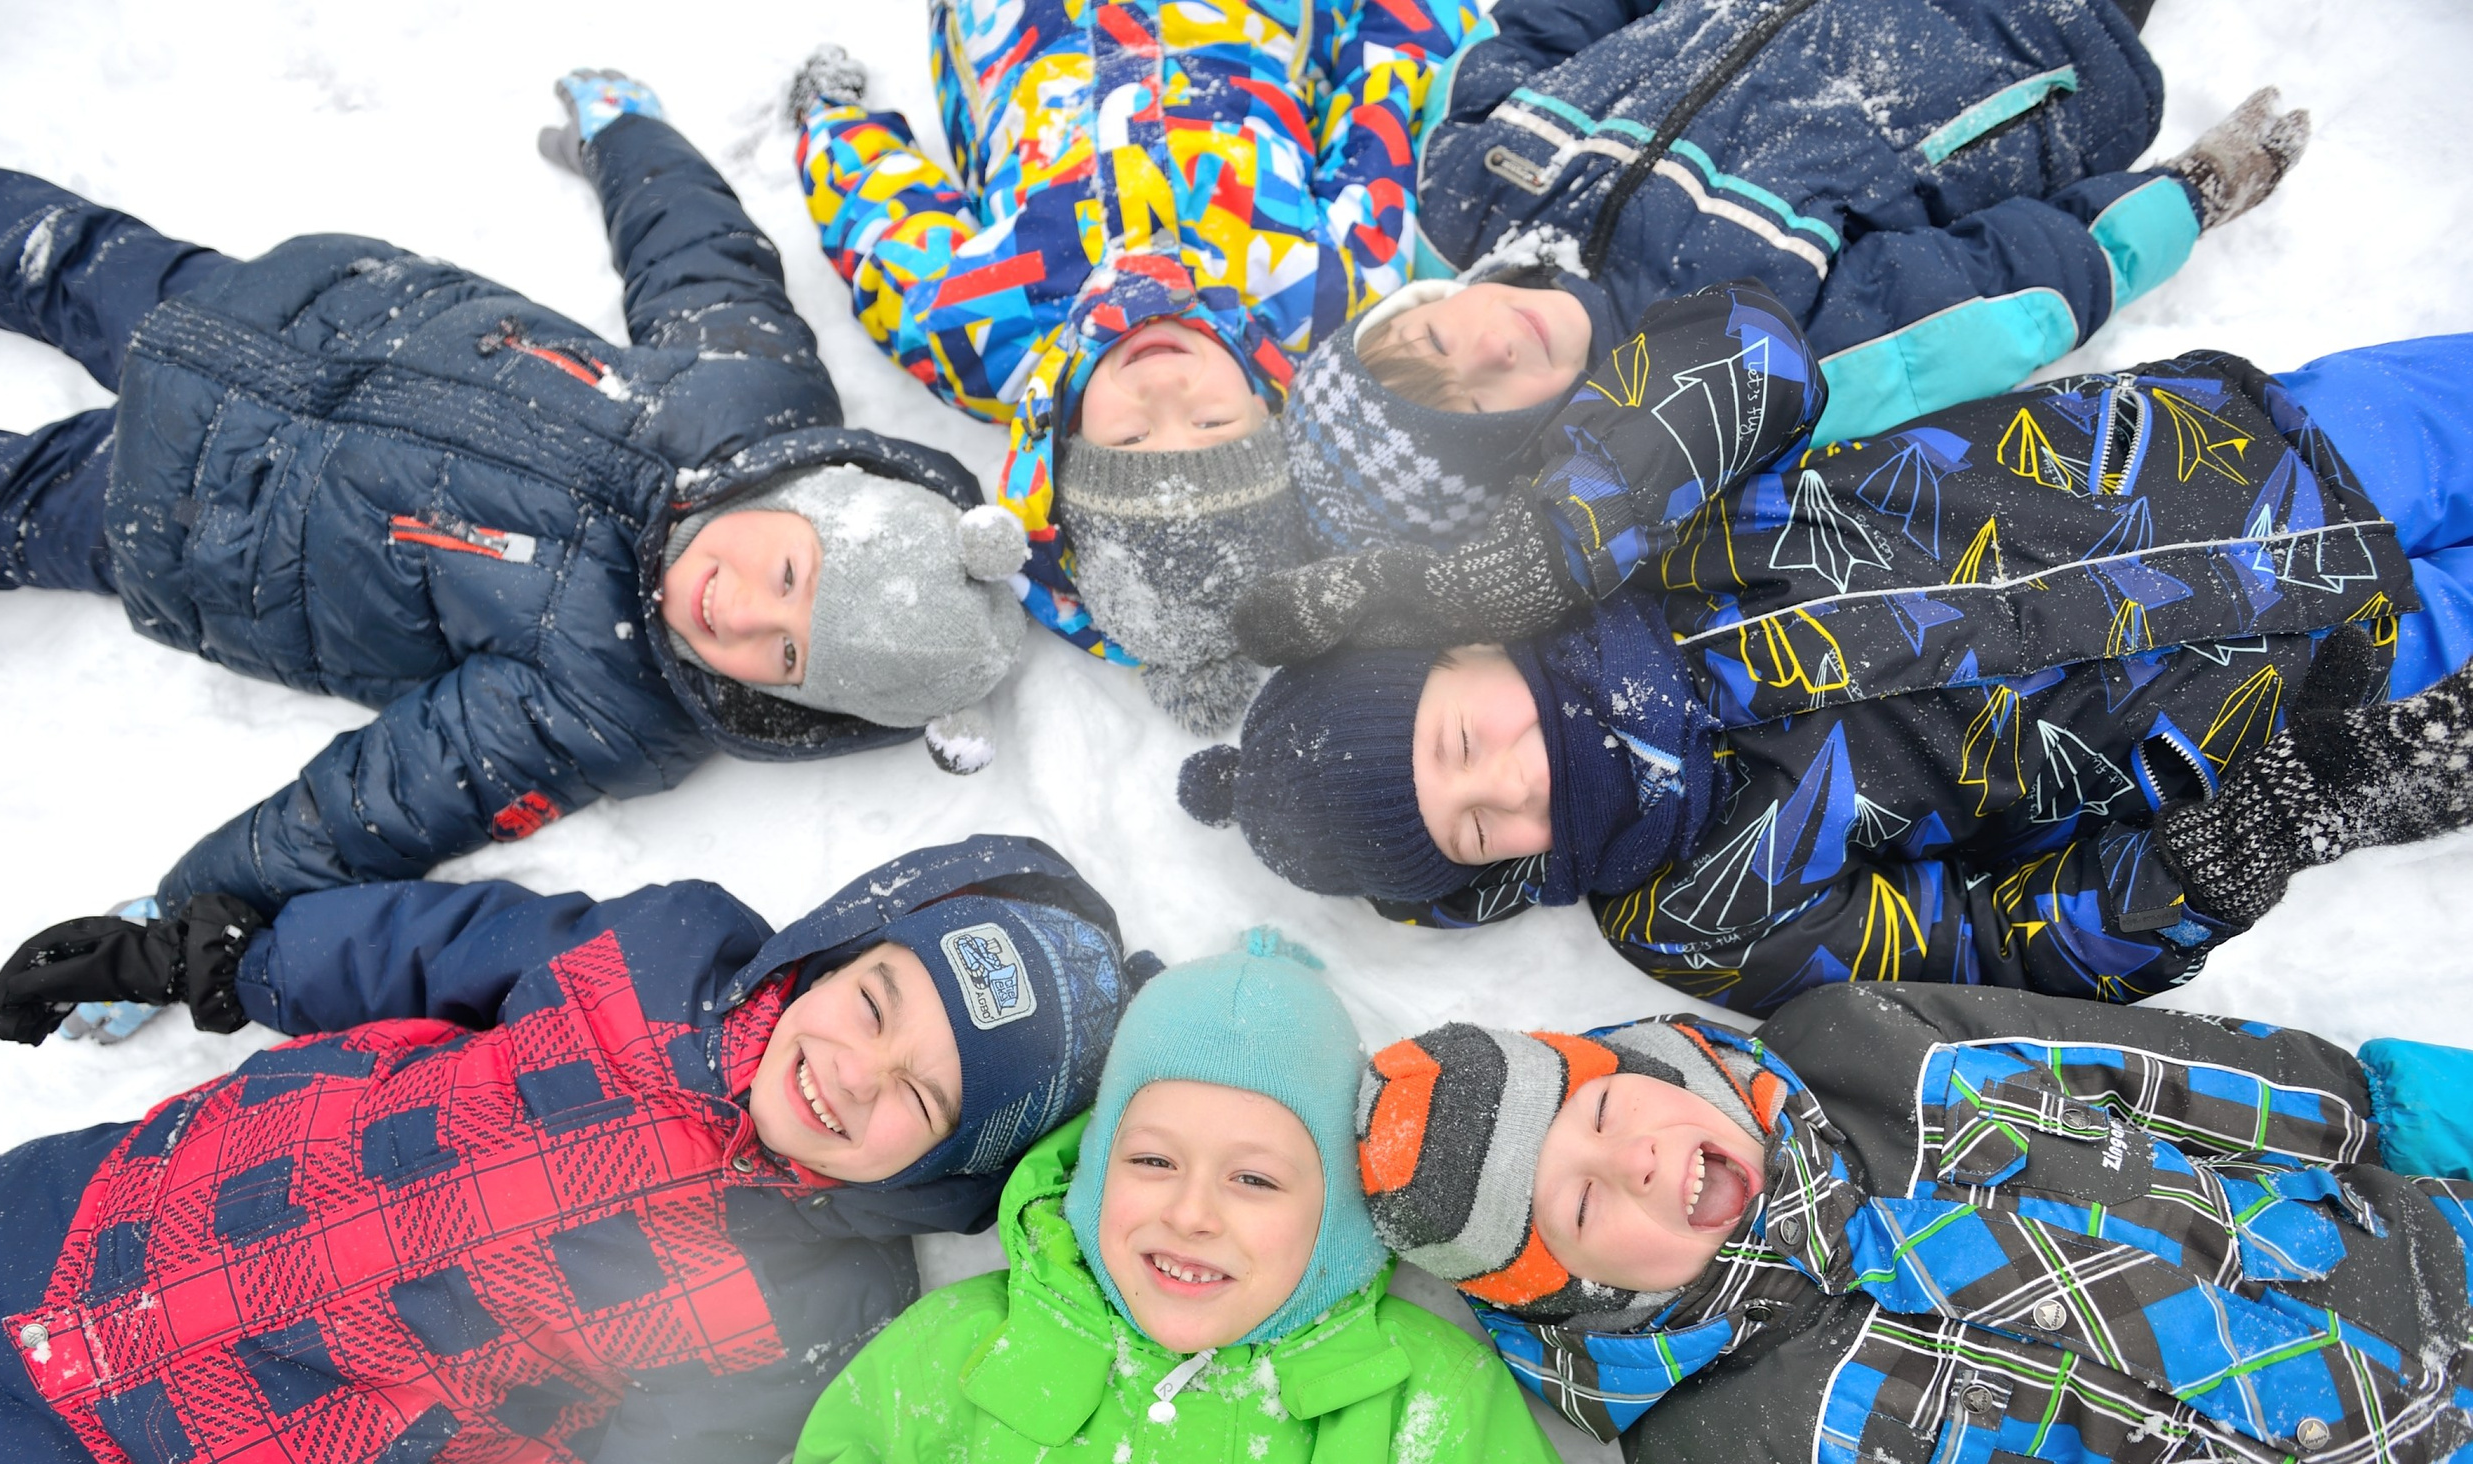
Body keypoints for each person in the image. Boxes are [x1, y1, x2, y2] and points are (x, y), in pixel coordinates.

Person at [0, 67, 1031, 1041]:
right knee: (66, 257)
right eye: (788, 577)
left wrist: (182, 919)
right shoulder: (752, 393)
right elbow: (698, 251)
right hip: (286, 314)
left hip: (197, 517)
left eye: (782, 658)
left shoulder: (607, 701)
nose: (736, 615)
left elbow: (382, 802)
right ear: (809, 496)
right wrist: (629, 135)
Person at [0, 835, 1135, 1464]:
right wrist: (199, 959)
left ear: (944, 1169)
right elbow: (431, 948)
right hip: (89, 1216)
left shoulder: (801, 1310)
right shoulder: (662, 950)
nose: (855, 1072)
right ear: (835, 953)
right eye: (875, 1002)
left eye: (918, 1097)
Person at [1184, 281, 2473, 1014]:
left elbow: (1748, 351)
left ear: (1466, 651)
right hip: (2330, 687)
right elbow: (1991, 950)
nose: (1505, 784)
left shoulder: (1638, 545)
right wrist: (2218, 857)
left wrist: (1553, 547)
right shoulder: (1690, 912)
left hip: (2273, 449)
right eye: (1472, 829)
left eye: (1458, 743)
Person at [1353, 982, 2473, 1464]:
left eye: (1602, 1119)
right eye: (1584, 1211)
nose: (1635, 1164)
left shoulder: (1867, 1054)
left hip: (2430, 1281)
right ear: (1577, 1302)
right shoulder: (1730, 1453)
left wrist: (2384, 1111)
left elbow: (2151, 1073)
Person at [622, 930, 1640, 1464]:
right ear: (1096, 1169)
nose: (1190, 1211)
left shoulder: (1420, 1400)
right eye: (1151, 1161)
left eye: (1254, 1177)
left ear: (1331, 1219)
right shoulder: (968, 1353)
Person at [1279, 0, 2311, 554]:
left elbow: (1547, 25)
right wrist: (2184, 197)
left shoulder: (1470, 178)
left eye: (1431, 346)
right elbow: (2005, 298)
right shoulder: (1739, 359)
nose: (1492, 345)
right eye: (1484, 405)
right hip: (2030, 32)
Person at [785, 0, 1481, 734]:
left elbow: (879, 223)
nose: (1161, 387)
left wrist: (829, 120)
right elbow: (1386, 103)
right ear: (1270, 416)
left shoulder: (977, 334)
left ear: (1068, 456)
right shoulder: (1317, 289)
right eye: (1211, 422)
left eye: (1130, 441)